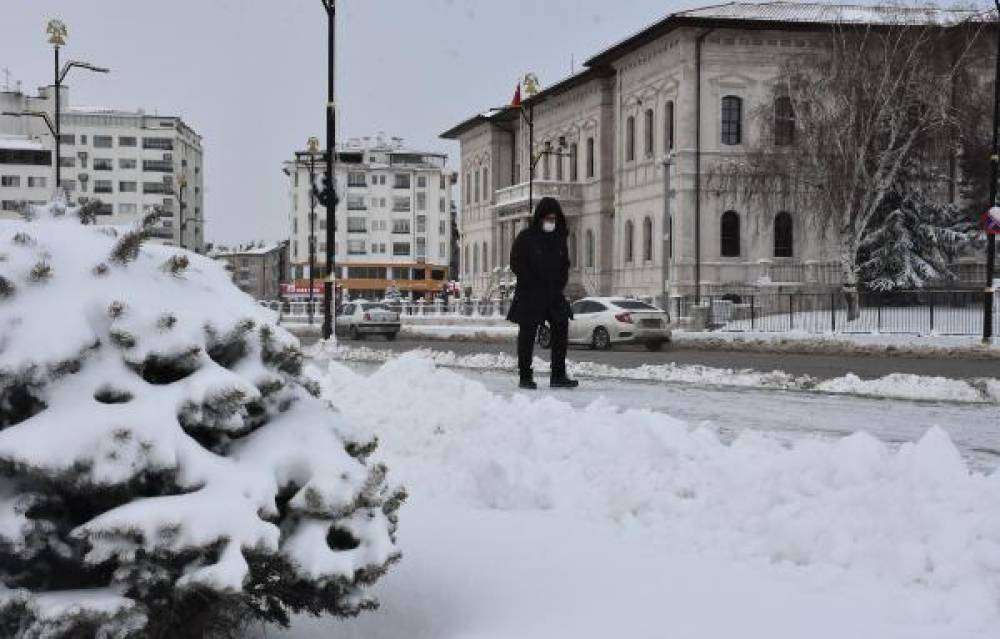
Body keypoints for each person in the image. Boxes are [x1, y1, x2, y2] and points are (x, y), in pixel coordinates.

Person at [507, 197, 579, 390]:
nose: (551, 222)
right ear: (539, 218)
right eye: (547, 218)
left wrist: (559, 284)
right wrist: (530, 280)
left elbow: (565, 265)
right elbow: (516, 262)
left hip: (553, 292)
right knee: (527, 334)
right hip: (530, 293)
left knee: (561, 326)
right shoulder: (526, 237)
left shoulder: (559, 238)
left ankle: (558, 375)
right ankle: (525, 376)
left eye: (554, 219)